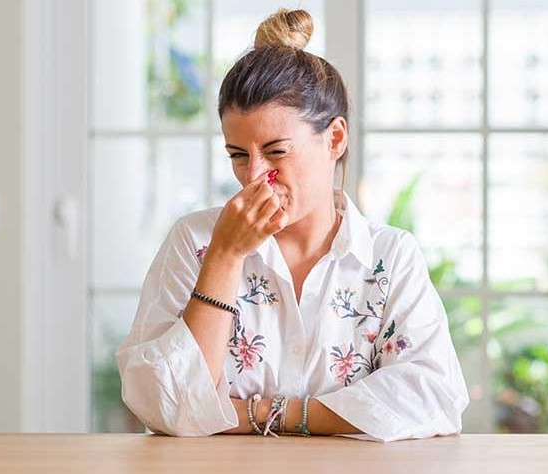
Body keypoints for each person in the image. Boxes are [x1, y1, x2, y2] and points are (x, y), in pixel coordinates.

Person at [115, 8, 469, 442]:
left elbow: (434, 397)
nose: (254, 176)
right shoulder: (195, 241)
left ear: (335, 138)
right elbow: (161, 406)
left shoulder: (390, 256)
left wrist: (266, 413)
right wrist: (225, 257)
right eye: (238, 155)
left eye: (276, 151)